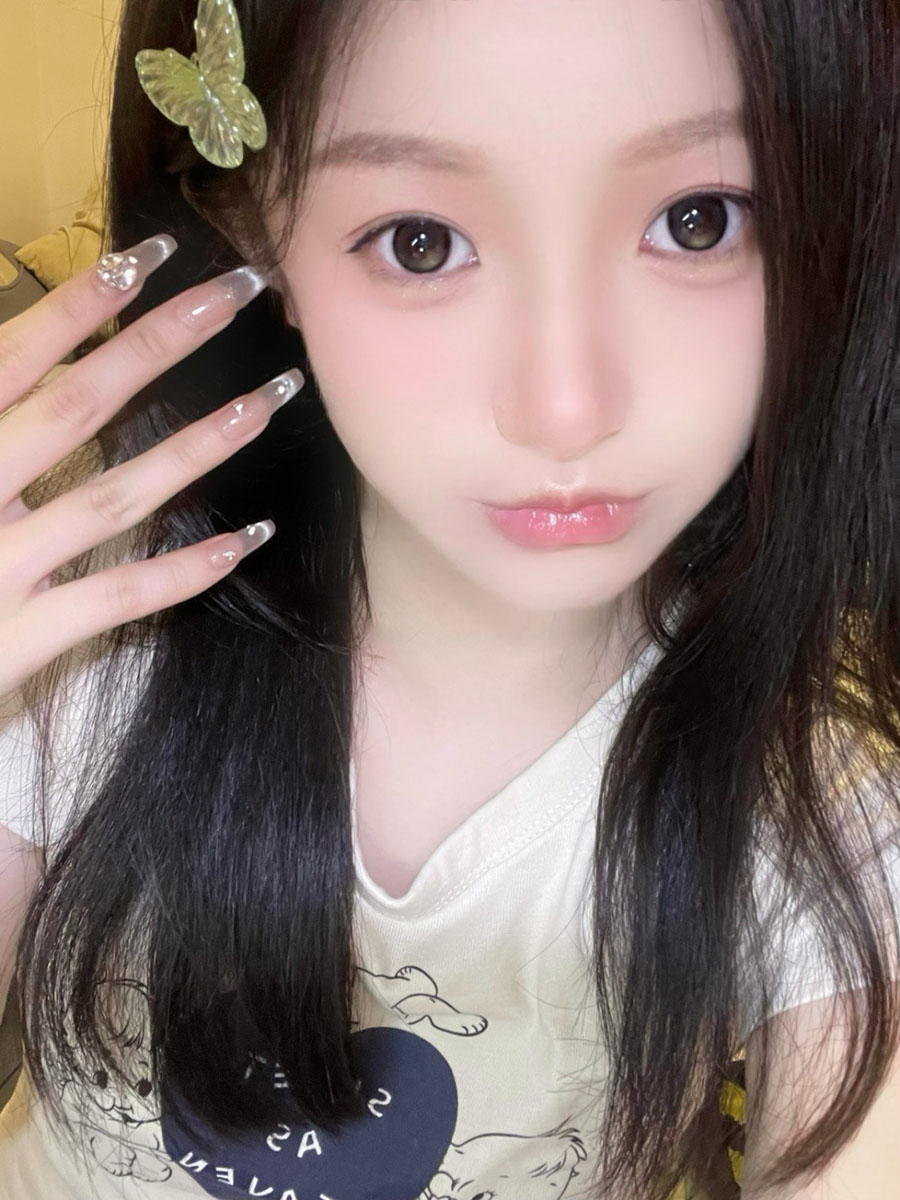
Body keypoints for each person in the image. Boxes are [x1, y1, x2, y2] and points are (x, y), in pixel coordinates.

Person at [0, 0, 898, 1197]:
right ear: (257, 227)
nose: (566, 409)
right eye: (419, 242)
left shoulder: (821, 815)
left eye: (700, 221)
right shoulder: (82, 643)